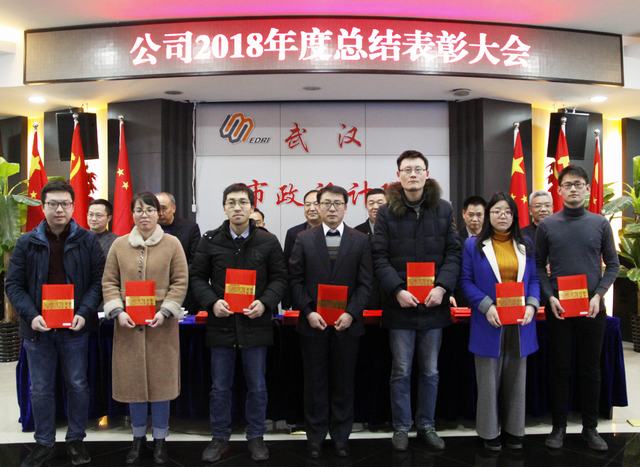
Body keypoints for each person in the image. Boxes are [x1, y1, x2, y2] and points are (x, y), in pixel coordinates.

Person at [6, 180, 104, 467]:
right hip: (38, 330)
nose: (59, 209)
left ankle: (76, 440)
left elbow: (98, 282)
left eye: (64, 204)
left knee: (77, 384)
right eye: (53, 204)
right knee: (40, 388)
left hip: (75, 328)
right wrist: (31, 315)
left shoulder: (87, 241)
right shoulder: (26, 242)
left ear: (73, 207)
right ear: (43, 206)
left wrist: (84, 312)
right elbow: (13, 285)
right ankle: (44, 443)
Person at [190, 183, 287, 463]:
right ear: (224, 207)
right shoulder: (210, 240)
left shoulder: (268, 241)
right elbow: (197, 277)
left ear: (252, 207)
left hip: (255, 324)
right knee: (220, 388)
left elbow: (280, 278)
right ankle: (219, 438)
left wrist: (265, 303)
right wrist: (212, 302)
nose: (237, 207)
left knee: (257, 386)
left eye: (243, 202)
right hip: (221, 324)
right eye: (231, 202)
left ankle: (256, 437)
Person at [372, 150, 461, 451]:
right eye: (407, 169)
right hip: (400, 307)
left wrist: (442, 287)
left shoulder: (444, 209)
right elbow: (379, 256)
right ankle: (401, 426)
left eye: (418, 169)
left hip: (434, 306)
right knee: (400, 370)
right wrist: (397, 290)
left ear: (427, 174)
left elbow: (453, 252)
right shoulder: (386, 213)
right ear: (398, 175)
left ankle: (426, 425)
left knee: (431, 371)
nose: (413, 174)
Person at [535, 165, 619, 451]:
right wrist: (549, 297)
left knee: (590, 369)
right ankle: (558, 427)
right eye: (568, 184)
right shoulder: (547, 226)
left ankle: (590, 428)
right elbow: (538, 266)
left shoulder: (600, 223)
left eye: (578, 184)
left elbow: (613, 265)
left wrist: (599, 295)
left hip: (593, 309)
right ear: (559, 190)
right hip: (559, 309)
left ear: (587, 189)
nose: (573, 189)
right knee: (560, 368)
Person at [102, 192, 188, 465]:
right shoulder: (119, 245)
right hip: (128, 326)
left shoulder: (172, 244)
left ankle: (160, 439)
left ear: (158, 213)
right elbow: (109, 282)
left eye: (150, 209)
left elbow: (180, 281)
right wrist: (118, 311)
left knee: (161, 385)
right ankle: (137, 438)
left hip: (162, 326)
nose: (144, 215)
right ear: (132, 214)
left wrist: (166, 311)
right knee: (134, 384)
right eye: (139, 210)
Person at [289, 185, 372, 459]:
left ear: (346, 207)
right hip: (313, 324)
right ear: (318, 206)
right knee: (314, 382)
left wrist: (351, 313)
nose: (332, 208)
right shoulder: (304, 239)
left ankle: (341, 437)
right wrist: (308, 311)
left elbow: (366, 283)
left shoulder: (360, 240)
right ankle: (314, 437)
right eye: (326, 203)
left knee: (344, 383)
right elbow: (295, 280)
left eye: (337, 203)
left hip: (347, 326)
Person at [460, 192, 539, 451]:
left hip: (520, 321)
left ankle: (514, 430)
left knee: (516, 378)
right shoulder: (473, 245)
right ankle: (489, 432)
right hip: (488, 320)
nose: (502, 215)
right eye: (496, 211)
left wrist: (532, 304)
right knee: (488, 380)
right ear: (488, 215)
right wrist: (486, 306)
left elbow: (534, 280)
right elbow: (466, 282)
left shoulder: (525, 244)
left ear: (514, 215)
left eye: (507, 211)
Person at [282, 189, 322, 308]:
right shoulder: (293, 233)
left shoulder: (334, 232)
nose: (311, 208)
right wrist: (286, 302)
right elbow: (287, 268)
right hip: (300, 297)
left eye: (316, 204)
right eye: (307, 204)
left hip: (327, 297)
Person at [156, 192, 201, 263]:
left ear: (173, 208)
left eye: (164, 208)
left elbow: (195, 261)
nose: (160, 213)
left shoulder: (190, 228)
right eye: (157, 209)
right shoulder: (148, 229)